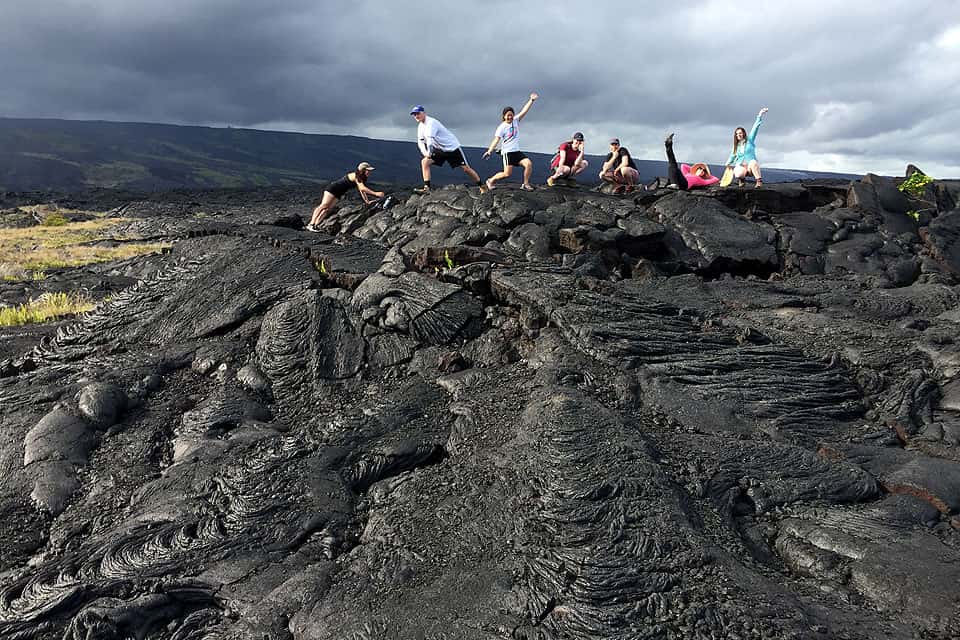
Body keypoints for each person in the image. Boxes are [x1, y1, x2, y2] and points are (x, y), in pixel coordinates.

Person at [411, 105, 483, 193]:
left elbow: (430, 141)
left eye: (418, 113)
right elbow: (421, 141)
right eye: (414, 115)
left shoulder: (431, 123)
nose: (416, 116)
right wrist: (425, 153)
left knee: (466, 169)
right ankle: (427, 188)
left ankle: (481, 185)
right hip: (440, 150)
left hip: (452, 148)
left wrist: (429, 153)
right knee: (424, 162)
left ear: (424, 113)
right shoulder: (420, 126)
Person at [481, 93, 539, 191]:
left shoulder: (515, 121)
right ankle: (490, 180)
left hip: (516, 151)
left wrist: (531, 100)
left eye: (511, 115)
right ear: (504, 116)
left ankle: (525, 184)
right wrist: (489, 151)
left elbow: (524, 111)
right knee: (507, 173)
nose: (510, 117)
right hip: (507, 152)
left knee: (528, 164)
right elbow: (496, 140)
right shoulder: (501, 127)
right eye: (508, 116)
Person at [307, 162, 384, 232]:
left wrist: (366, 201)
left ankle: (316, 225)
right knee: (324, 205)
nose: (369, 172)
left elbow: (361, 190)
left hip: (339, 193)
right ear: (362, 170)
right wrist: (376, 193)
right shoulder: (357, 176)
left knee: (327, 209)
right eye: (368, 170)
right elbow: (362, 188)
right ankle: (311, 224)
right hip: (333, 189)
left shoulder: (363, 178)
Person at [726, 107, 769, 187]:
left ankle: (759, 181)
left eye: (740, 133)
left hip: (750, 167)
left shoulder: (750, 140)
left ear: (744, 133)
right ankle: (742, 180)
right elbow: (732, 155)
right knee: (738, 174)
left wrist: (760, 115)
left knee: (753, 162)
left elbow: (755, 127)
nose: (738, 135)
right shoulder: (736, 145)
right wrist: (728, 163)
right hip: (741, 166)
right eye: (737, 134)